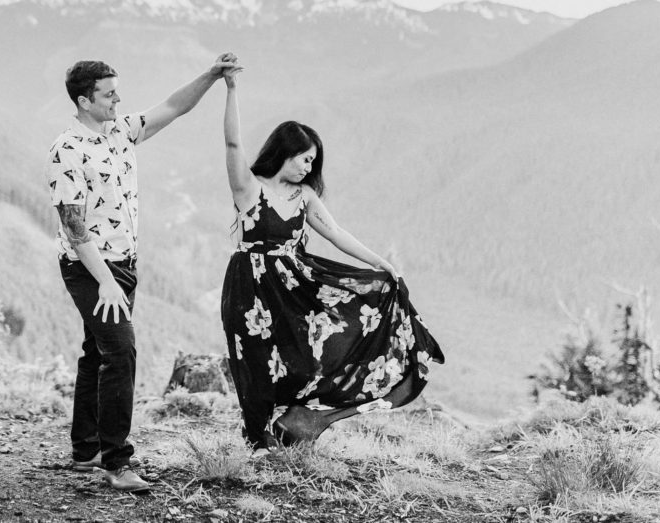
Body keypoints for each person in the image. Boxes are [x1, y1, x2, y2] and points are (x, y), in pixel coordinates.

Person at [219, 63, 444, 454]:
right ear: (284, 153)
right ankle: (258, 439)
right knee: (254, 363)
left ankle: (292, 421)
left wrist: (381, 265)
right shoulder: (247, 189)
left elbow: (337, 234)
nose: (310, 168)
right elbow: (233, 145)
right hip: (248, 287)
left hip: (293, 288)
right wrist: (231, 88)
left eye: (312, 162)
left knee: (306, 358)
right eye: (305, 159)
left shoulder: (303, 196)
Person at [46, 54, 239, 492]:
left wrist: (211, 75)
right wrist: (107, 282)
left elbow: (174, 106)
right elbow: (74, 229)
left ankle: (86, 449)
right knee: (121, 352)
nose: (118, 99)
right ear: (83, 100)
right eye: (109, 94)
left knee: (97, 352)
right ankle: (117, 462)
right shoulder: (66, 150)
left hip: (124, 264)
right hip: (90, 268)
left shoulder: (120, 131)